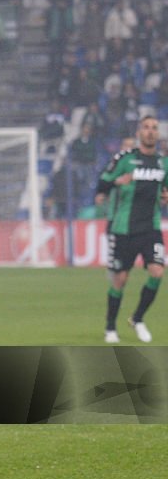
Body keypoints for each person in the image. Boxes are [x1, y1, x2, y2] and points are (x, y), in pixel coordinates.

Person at [95, 116, 167, 343]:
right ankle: (110, 328)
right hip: (124, 228)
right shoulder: (124, 158)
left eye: (154, 128)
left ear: (158, 133)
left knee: (157, 272)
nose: (150, 132)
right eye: (146, 127)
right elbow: (102, 182)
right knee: (120, 280)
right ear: (139, 132)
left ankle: (137, 318)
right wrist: (117, 182)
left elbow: (165, 190)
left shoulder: (163, 162)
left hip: (151, 228)